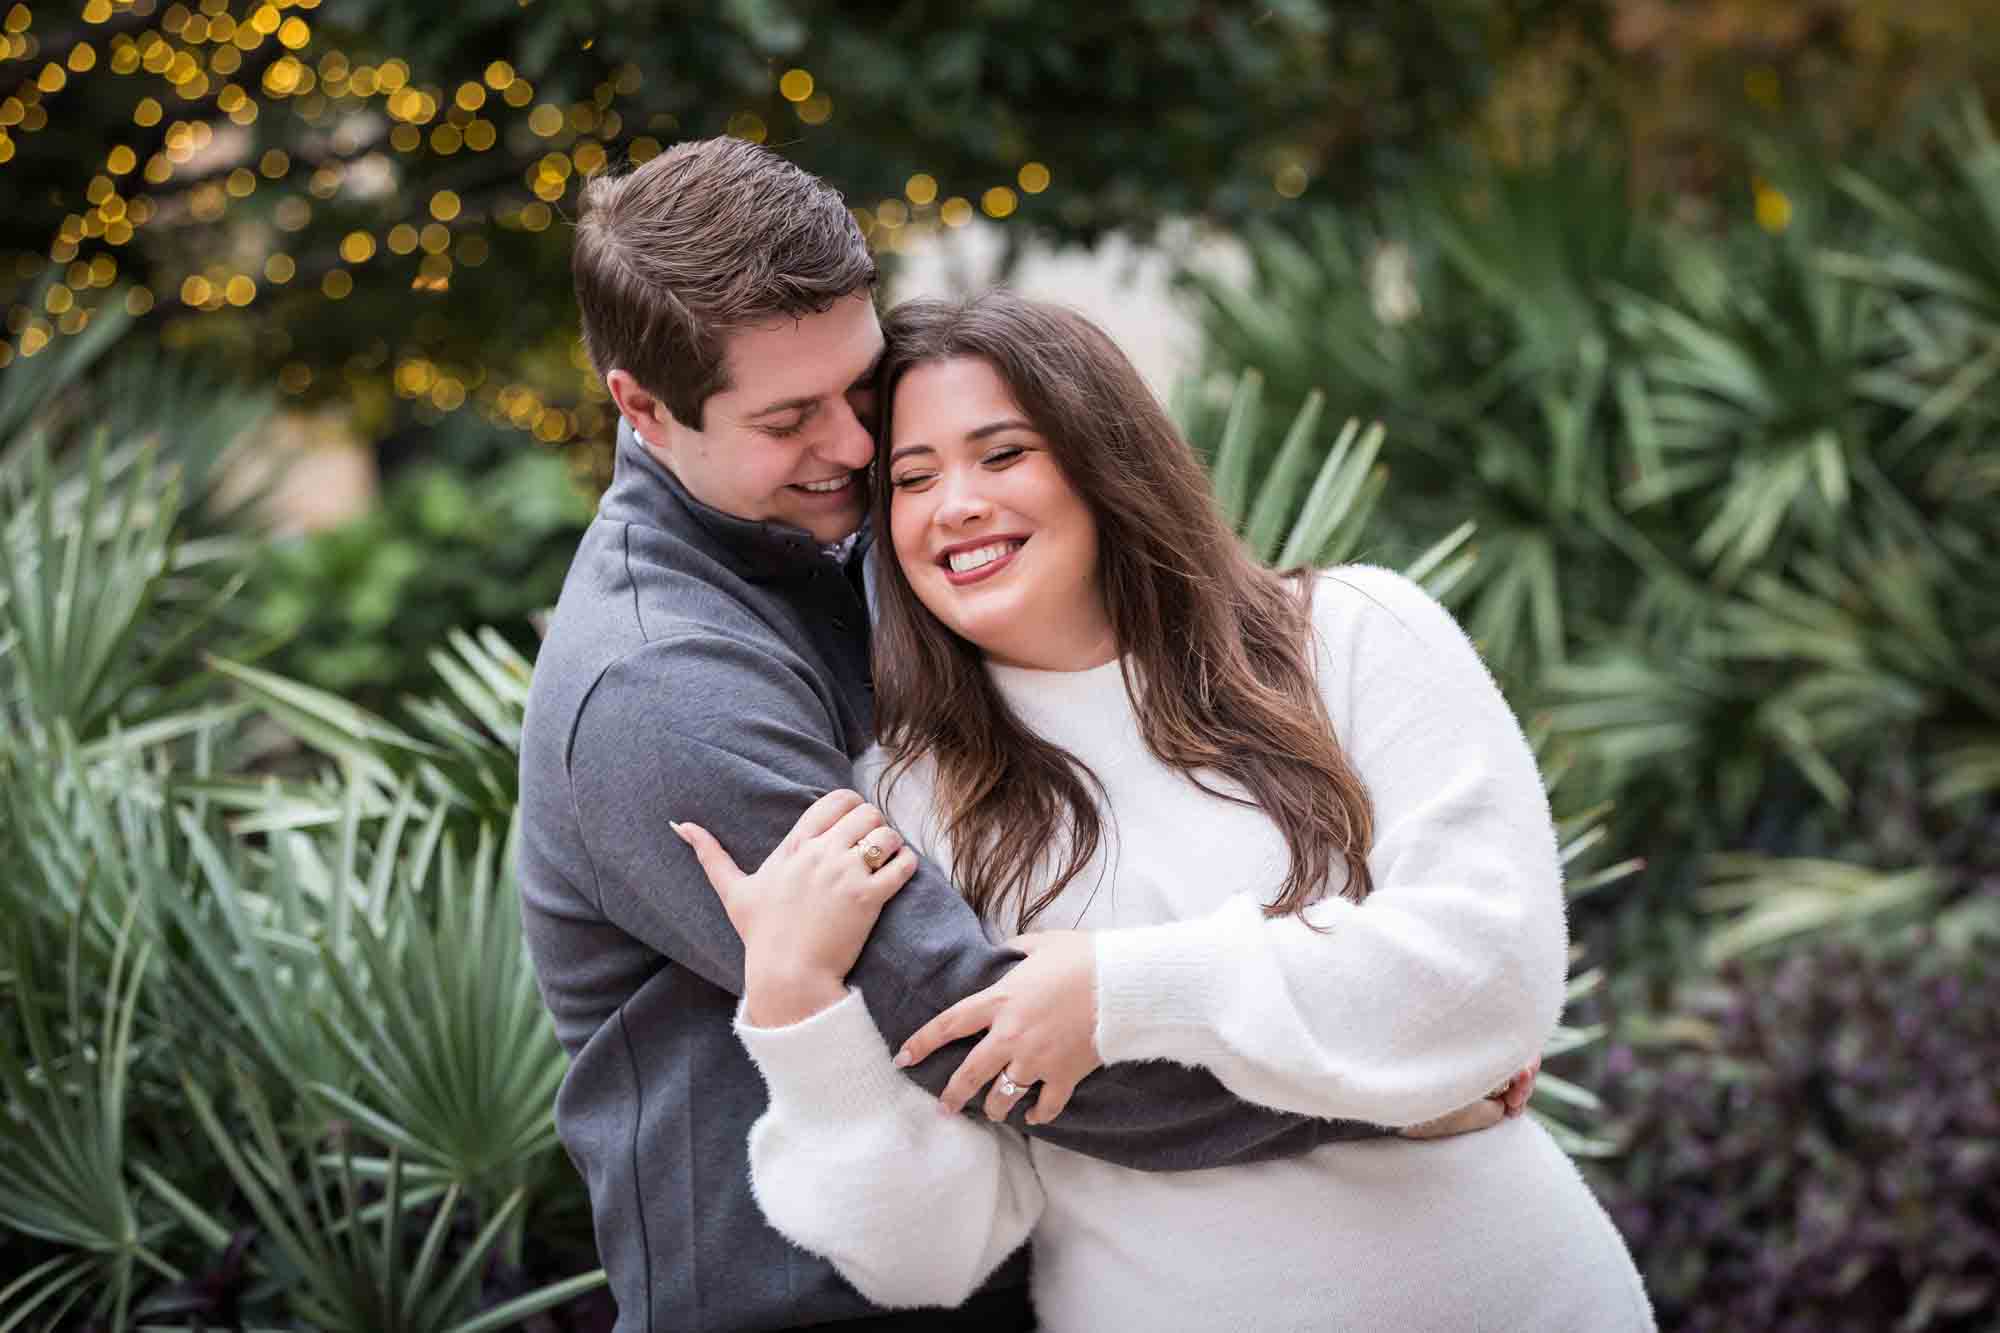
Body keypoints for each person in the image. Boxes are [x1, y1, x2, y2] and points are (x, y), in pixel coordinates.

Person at [519, 141, 1524, 1333]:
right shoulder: (659, 686)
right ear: (641, 406)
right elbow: (968, 1021)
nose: (851, 446)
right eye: (790, 417)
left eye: (861, 388)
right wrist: (1378, 1096)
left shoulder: (841, 530)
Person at [673, 291, 1656, 1331]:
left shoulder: (1353, 634)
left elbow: (1485, 972)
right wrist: (797, 1015)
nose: (952, 504)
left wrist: (1124, 989)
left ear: (1102, 456)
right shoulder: (905, 803)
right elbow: (934, 1249)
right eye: (911, 479)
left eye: (1001, 455)